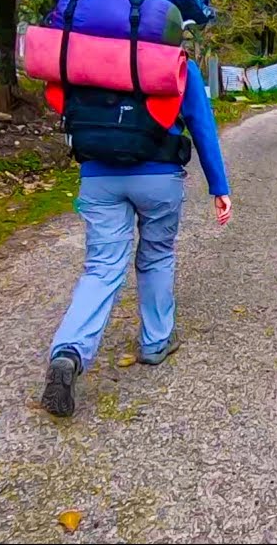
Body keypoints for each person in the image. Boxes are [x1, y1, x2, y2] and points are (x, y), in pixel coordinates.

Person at [41, 63, 232, 418]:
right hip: (159, 176)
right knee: (156, 255)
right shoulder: (175, 61)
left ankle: (68, 351)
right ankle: (156, 340)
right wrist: (219, 187)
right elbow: (202, 125)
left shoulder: (91, 54)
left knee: (101, 268)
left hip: (98, 175)